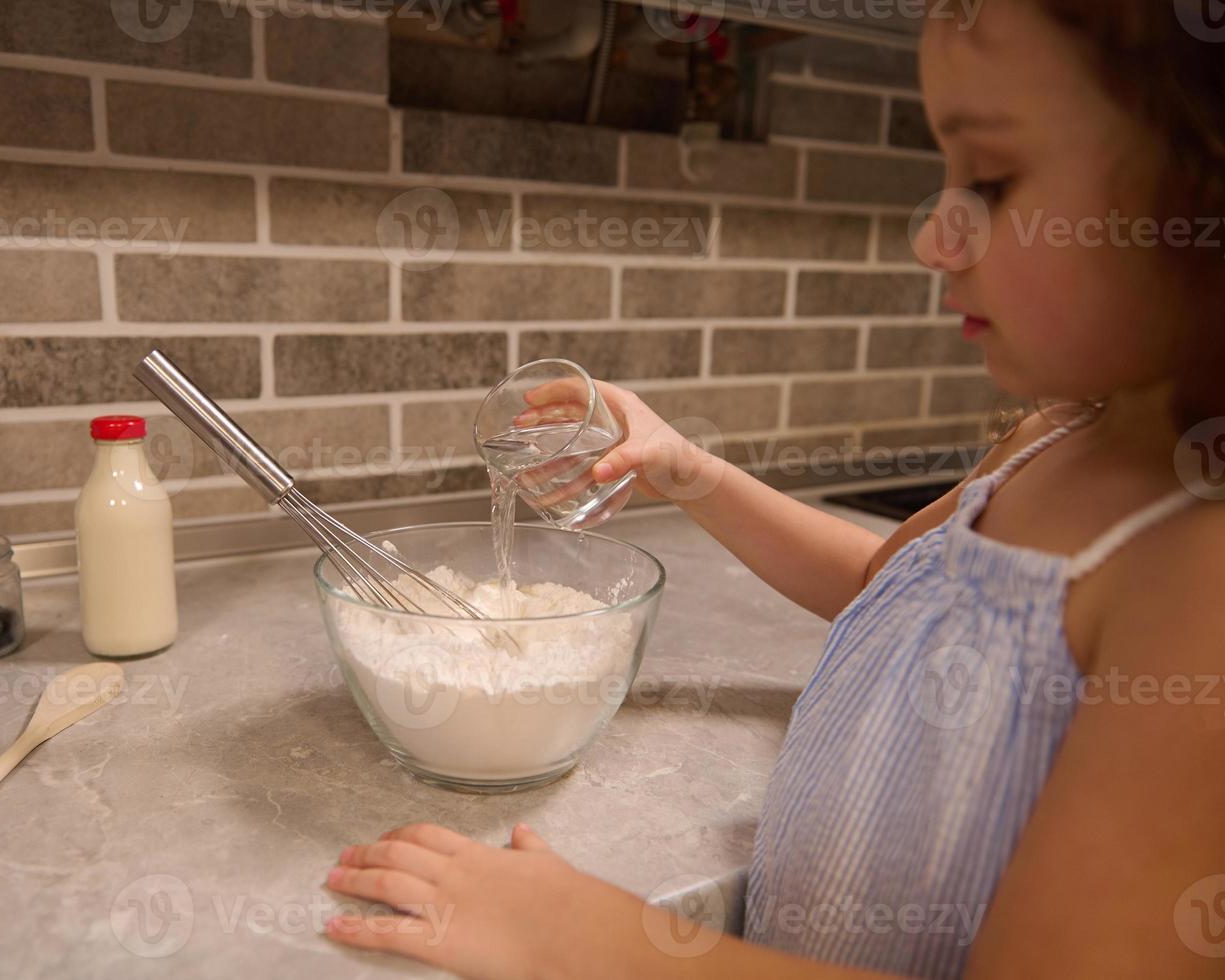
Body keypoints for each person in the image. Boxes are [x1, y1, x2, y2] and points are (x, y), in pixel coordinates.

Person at [322, 1, 1225, 975]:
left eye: (994, 181)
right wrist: (689, 471)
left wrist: (588, 939)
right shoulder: (1056, 438)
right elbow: (891, 578)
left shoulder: (1194, 576)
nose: (935, 236)